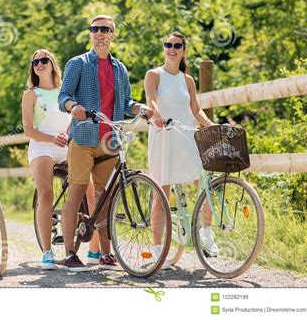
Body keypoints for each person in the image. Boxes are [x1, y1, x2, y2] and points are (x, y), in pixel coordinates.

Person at [58, 15, 153, 272]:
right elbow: (63, 96)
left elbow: (126, 104)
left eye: (105, 29)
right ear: (91, 34)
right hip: (83, 138)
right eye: (95, 29)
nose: (99, 33)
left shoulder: (119, 69)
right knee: (77, 194)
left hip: (110, 139)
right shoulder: (77, 64)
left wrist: (139, 107)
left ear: (113, 34)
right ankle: (69, 254)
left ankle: (105, 255)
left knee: (106, 198)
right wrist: (74, 106)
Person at [144, 31, 218, 268]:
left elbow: (196, 110)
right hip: (164, 134)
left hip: (186, 136)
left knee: (204, 184)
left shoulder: (188, 80)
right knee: (161, 192)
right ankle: (157, 248)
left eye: (177, 45)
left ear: (184, 50)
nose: (171, 48)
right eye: (168, 44)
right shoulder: (153, 75)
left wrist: (209, 125)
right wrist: (157, 116)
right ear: (164, 48)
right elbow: (151, 100)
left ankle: (205, 232)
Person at [22, 49, 70, 270]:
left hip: (66, 144)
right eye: (35, 62)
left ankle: (87, 248)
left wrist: (66, 136)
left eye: (44, 60)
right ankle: (47, 251)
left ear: (52, 64)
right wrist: (52, 138)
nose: (39, 64)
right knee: (46, 193)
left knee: (85, 186)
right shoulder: (31, 94)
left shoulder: (65, 91)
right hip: (43, 146)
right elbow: (28, 130)